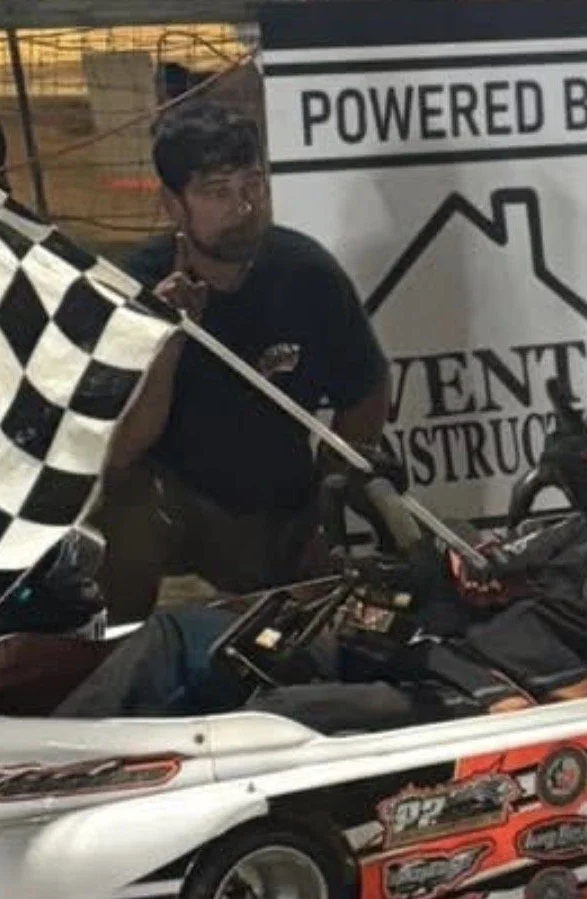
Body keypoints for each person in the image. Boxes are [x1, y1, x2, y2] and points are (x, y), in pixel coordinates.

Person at [57, 356, 587, 727]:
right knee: (190, 639)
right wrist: (390, 506)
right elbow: (469, 577)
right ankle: (38, 754)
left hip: (476, 713)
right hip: (426, 657)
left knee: (267, 720)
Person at [95, 99, 390, 621]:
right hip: (173, 506)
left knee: (336, 622)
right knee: (121, 497)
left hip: (276, 505)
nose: (244, 206)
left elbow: (366, 389)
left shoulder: (306, 273)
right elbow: (120, 448)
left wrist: (329, 499)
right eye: (217, 192)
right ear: (173, 205)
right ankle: (119, 643)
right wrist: (166, 339)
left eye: (253, 184)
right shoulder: (134, 287)